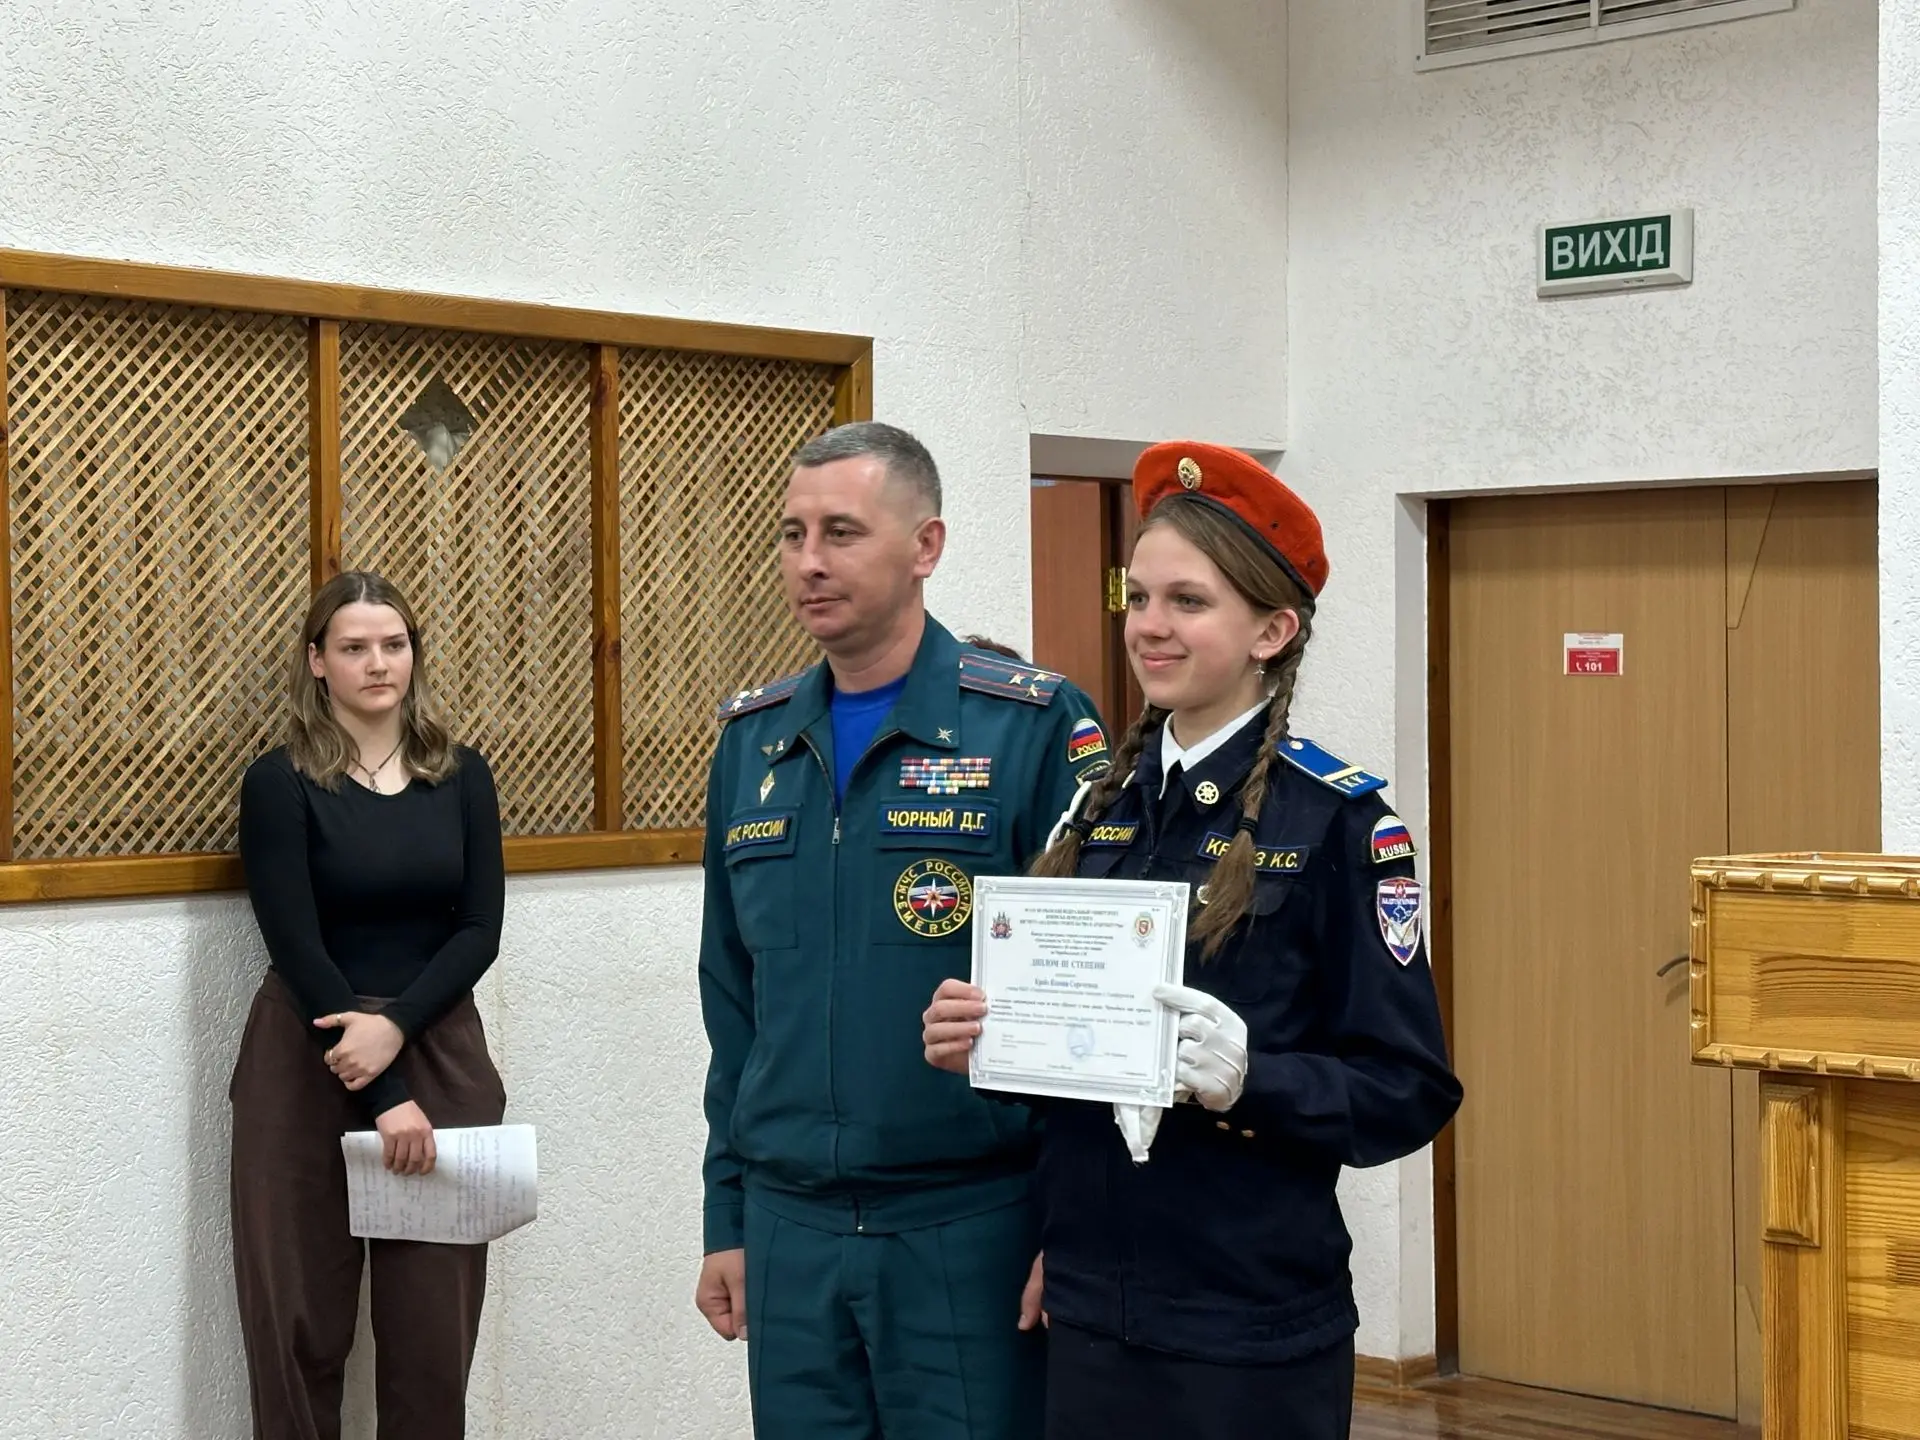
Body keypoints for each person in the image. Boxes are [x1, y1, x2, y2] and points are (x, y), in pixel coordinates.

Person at [921, 441, 1463, 1440]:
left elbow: (1408, 1091)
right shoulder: (1095, 813)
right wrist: (989, 1040)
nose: (1150, 625)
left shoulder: (1337, 823)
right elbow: (1073, 1067)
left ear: (1272, 630)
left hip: (1248, 1323)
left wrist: (1252, 1080)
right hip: (1090, 1306)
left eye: (1189, 601)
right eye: (1139, 597)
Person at [695, 421, 1112, 1439]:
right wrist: (728, 1215)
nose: (809, 562)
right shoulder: (755, 742)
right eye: (792, 534)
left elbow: (1093, 1001)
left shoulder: (1030, 727)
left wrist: (1079, 1227)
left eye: (841, 532)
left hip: (969, 1227)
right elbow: (733, 1003)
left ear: (926, 546)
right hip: (791, 1233)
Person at [230, 569, 507, 1440]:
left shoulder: (462, 775)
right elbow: (295, 943)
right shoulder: (279, 783)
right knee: (297, 1328)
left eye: (394, 644)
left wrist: (395, 1031)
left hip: (436, 1050)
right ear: (318, 662)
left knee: (432, 1336)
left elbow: (479, 931)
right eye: (354, 647)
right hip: (305, 1053)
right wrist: (381, 1088)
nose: (378, 663)